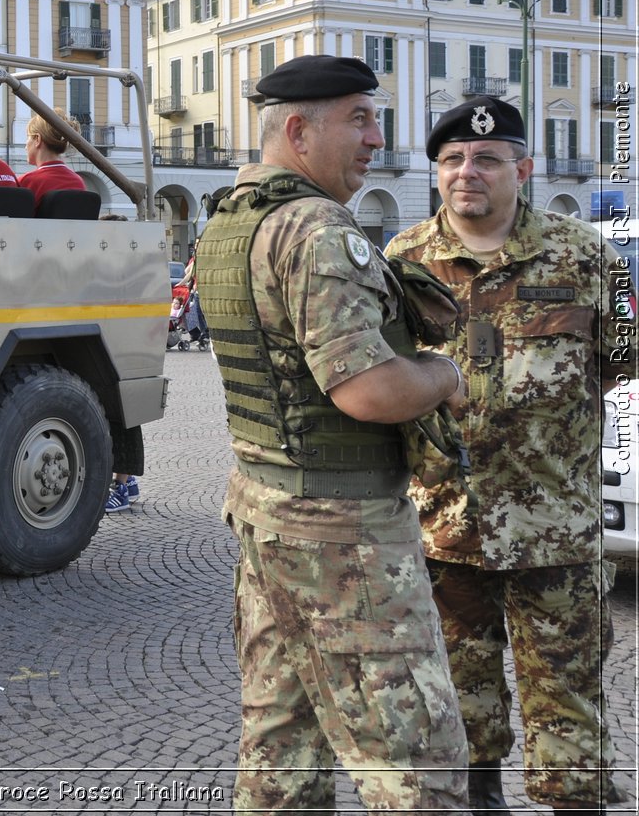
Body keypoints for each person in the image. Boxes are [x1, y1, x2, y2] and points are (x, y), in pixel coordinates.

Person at [199, 54, 469, 812]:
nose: (375, 137)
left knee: (282, 748)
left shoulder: (227, 222)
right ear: (297, 129)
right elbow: (370, 388)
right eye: (359, 117)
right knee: (418, 760)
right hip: (344, 537)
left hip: (267, 516)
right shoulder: (317, 229)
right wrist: (444, 374)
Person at [387, 95, 627, 814]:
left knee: (570, 716)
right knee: (463, 717)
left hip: (556, 536)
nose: (469, 172)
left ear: (522, 167)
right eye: (454, 159)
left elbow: (621, 359)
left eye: (488, 159)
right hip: (444, 536)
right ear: (437, 174)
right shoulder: (403, 263)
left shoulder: (586, 255)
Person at [17, 115, 86, 201]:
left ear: (37, 139)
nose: (25, 146)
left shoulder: (26, 182)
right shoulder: (78, 182)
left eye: (28, 137)